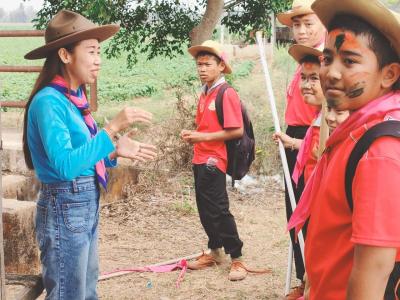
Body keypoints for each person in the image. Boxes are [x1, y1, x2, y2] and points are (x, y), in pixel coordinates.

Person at [23, 10, 157, 299]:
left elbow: (83, 158)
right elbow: (65, 166)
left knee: (86, 290)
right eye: (92, 51)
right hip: (65, 202)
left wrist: (113, 152)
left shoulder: (75, 99)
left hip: (83, 202)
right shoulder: (49, 102)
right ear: (65, 55)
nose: (98, 59)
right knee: (69, 293)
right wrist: (110, 130)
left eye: (100, 52)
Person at [288, 0, 400, 298]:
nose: (331, 73)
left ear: (388, 75)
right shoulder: (354, 133)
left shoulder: (380, 151)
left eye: (349, 61)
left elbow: (374, 269)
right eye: (327, 59)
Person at [180, 40, 247, 281]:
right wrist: (194, 135)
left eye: (207, 64)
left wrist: (202, 136)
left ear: (221, 66)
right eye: (199, 64)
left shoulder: (226, 93)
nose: (202, 69)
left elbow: (236, 130)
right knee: (204, 209)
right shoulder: (205, 92)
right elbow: (206, 126)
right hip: (200, 155)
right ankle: (215, 250)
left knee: (218, 209)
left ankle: (237, 257)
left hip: (214, 159)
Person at [277, 1, 326, 297]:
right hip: (295, 137)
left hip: (316, 138)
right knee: (294, 211)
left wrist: (304, 140)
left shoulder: (327, 57)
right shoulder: (301, 60)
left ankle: (316, 279)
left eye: (308, 23)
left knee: (315, 214)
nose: (302, 30)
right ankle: (303, 276)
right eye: (296, 25)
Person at [274, 45, 323, 185]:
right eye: (303, 78)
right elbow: (316, 150)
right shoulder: (318, 117)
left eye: (314, 78)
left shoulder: (333, 121)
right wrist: (292, 142)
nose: (307, 85)